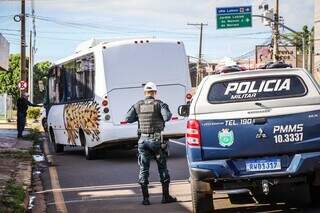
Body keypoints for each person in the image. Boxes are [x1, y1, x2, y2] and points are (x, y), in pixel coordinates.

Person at [125, 82, 177, 205]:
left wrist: (139, 116)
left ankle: (146, 199)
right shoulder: (159, 104)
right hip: (156, 141)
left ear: (145, 93)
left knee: (144, 169)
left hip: (142, 141)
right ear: (155, 92)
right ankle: (165, 197)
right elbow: (167, 117)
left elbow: (128, 119)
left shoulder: (138, 105)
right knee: (162, 168)